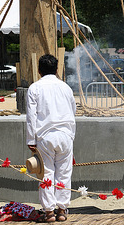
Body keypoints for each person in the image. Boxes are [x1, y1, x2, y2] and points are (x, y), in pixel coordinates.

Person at [26, 54, 76, 223]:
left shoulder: (34, 88)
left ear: (38, 70)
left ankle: (49, 212)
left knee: (46, 173)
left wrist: (30, 140)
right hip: (65, 135)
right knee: (64, 173)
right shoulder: (66, 87)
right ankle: (62, 210)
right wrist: (71, 135)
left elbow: (31, 117)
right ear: (57, 69)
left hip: (44, 137)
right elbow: (73, 112)